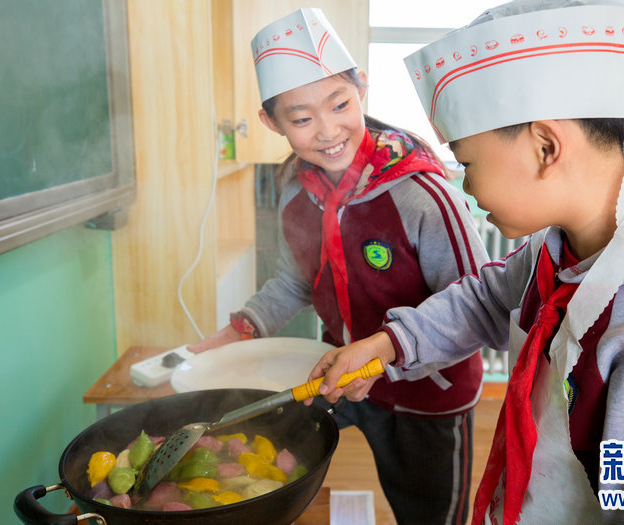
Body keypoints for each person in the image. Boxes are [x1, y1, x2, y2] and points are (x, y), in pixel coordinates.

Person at [308, 0, 624, 523]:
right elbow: (485, 299)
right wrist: (384, 346)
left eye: (466, 162)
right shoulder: (556, 250)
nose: (467, 187)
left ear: (546, 147)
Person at [189, 8, 489, 524]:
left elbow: (476, 307)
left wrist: (383, 359)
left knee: (428, 514)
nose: (327, 131)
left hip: (427, 394)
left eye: (340, 104)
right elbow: (294, 281)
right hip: (340, 376)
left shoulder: (422, 194)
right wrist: (239, 330)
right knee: (271, 447)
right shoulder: (295, 190)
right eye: (301, 119)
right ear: (271, 122)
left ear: (362, 88)